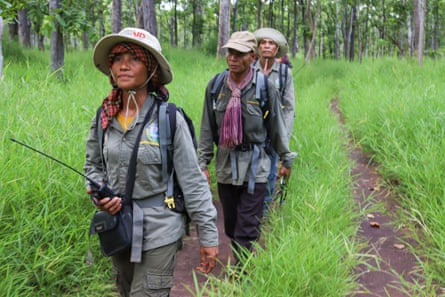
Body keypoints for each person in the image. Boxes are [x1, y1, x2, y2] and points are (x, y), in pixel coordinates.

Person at [84, 27, 218, 297]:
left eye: (133, 58)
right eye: (117, 58)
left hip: (160, 229)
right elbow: (93, 167)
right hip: (118, 227)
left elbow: (192, 181)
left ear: (152, 70)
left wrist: (208, 235)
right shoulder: (104, 118)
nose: (123, 65)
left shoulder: (169, 118)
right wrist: (99, 195)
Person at [198, 31, 296, 262]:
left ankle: (241, 272)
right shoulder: (216, 86)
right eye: (230, 52)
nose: (232, 58)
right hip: (225, 166)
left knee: (247, 225)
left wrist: (285, 159)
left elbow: (276, 127)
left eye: (239, 54)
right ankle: (240, 255)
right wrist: (202, 163)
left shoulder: (263, 87)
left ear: (252, 56)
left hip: (256, 166)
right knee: (232, 224)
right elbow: (207, 128)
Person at [253, 28, 296, 212]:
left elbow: (289, 107)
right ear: (258, 47)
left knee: (270, 176)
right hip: (252, 134)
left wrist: (283, 138)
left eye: (271, 43)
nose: (267, 46)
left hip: (273, 135)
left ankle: (261, 216)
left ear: (277, 48)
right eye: (263, 43)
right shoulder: (250, 69)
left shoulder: (285, 73)